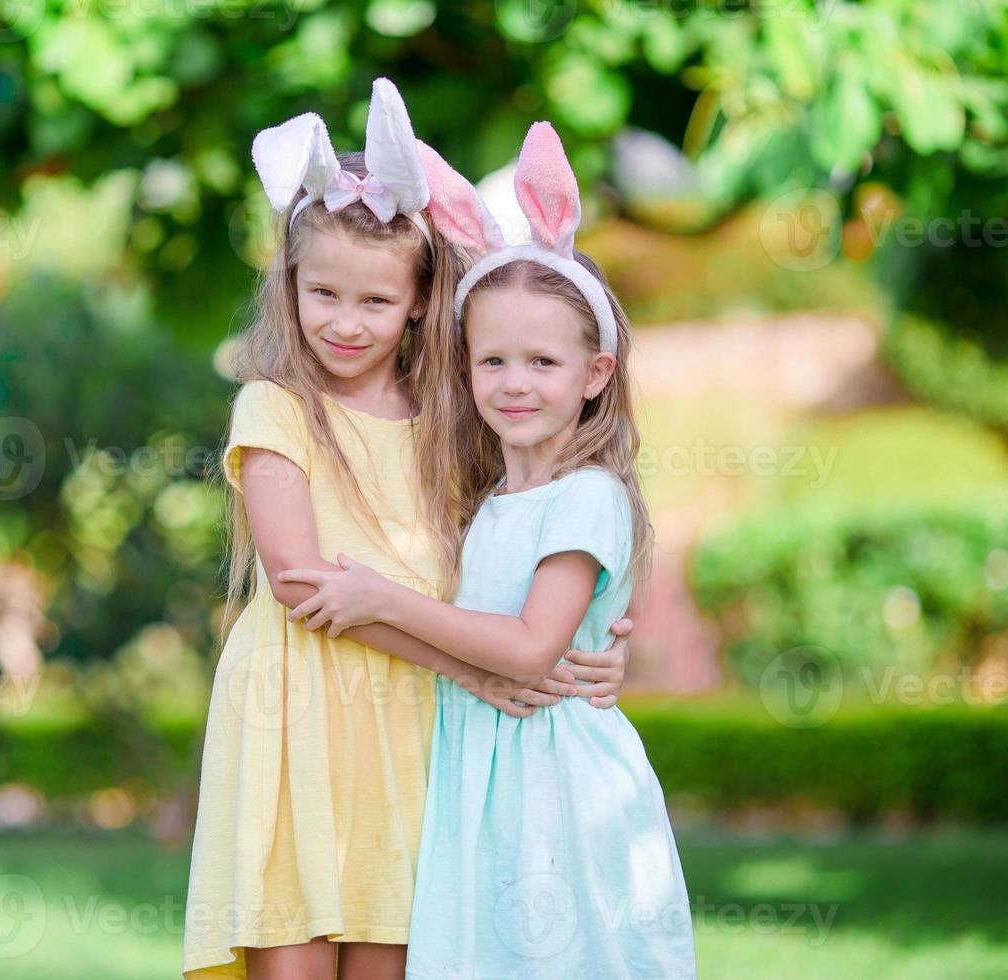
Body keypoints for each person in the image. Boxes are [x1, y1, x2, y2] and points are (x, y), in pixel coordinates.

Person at [183, 84, 635, 980]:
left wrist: (592, 650)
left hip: (415, 732)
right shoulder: (275, 408)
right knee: (295, 954)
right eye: (324, 294)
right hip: (296, 720)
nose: (346, 323)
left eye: (375, 303)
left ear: (423, 301)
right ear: (291, 286)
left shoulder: (451, 422)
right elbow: (302, 584)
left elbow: (519, 568)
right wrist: (477, 668)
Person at [279, 123, 698, 978]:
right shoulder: (491, 503)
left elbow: (529, 647)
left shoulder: (588, 495)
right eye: (492, 360)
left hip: (559, 789)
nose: (513, 382)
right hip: (485, 775)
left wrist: (387, 601)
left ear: (596, 374)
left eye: (543, 361)